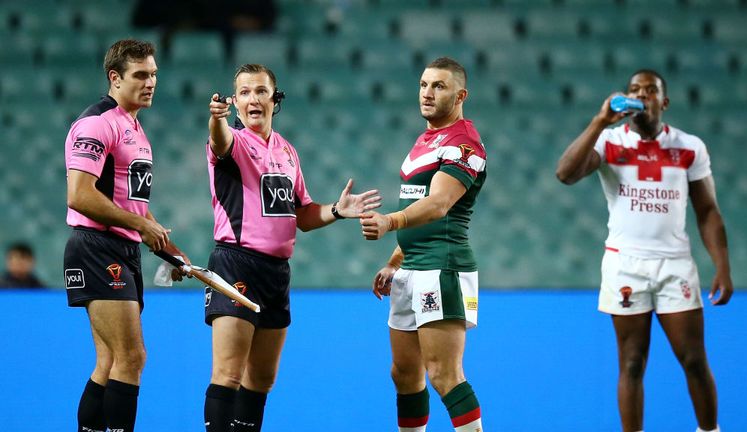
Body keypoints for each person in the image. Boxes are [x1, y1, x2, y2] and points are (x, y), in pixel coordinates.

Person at [202, 63, 381, 432]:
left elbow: (302, 214)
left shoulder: (286, 152)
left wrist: (336, 210)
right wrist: (216, 119)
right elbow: (219, 140)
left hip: (276, 273)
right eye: (245, 92)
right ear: (234, 102)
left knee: (261, 380)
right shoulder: (233, 142)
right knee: (228, 372)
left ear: (274, 98)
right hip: (235, 264)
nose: (254, 98)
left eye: (261, 91)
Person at [555, 70, 733, 432]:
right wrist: (598, 121)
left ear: (663, 102)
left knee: (694, 359)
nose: (641, 95)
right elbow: (565, 173)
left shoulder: (689, 146)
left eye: (651, 90)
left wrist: (722, 266)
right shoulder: (608, 142)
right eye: (634, 89)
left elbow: (708, 211)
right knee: (632, 364)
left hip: (674, 265)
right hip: (625, 265)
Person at [63, 39, 187, 432]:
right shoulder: (97, 123)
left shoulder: (133, 126)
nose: (150, 82)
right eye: (140, 75)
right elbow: (80, 195)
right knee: (132, 358)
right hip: (98, 248)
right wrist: (139, 226)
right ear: (115, 78)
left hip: (120, 248)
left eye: (153, 74)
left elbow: (131, 205)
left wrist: (168, 249)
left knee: (111, 362)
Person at [360, 57, 487, 432]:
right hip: (413, 266)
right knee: (404, 374)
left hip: (442, 267)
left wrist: (390, 222)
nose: (427, 93)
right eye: (423, 85)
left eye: (439, 86)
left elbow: (438, 204)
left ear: (460, 94)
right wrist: (395, 261)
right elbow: (415, 200)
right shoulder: (427, 139)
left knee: (445, 375)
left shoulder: (465, 143)